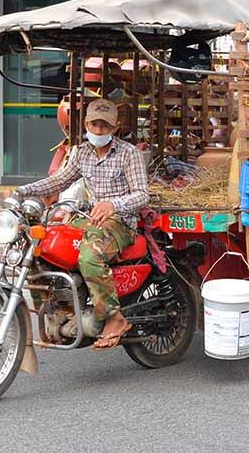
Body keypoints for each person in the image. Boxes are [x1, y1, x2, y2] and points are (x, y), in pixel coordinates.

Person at [14, 98, 149, 349]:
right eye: (94, 124)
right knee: (42, 244)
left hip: (120, 223)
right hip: (89, 219)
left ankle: (114, 317)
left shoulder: (129, 153)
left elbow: (142, 194)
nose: (98, 130)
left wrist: (113, 205)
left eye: (104, 126)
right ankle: (59, 308)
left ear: (115, 127)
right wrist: (21, 191)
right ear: (86, 123)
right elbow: (59, 181)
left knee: (89, 256)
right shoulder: (82, 152)